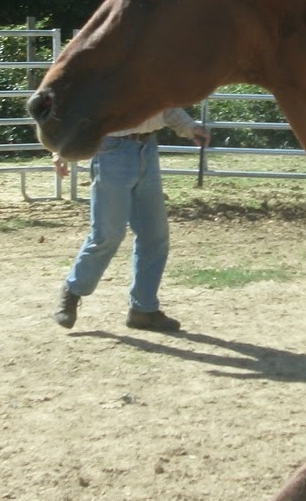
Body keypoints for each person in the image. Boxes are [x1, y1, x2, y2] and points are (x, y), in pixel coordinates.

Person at [53, 107, 208, 332]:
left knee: (154, 235)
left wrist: (188, 127)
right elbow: (85, 103)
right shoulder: (107, 71)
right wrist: (63, 147)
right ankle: (72, 291)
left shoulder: (153, 71)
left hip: (148, 148)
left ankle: (143, 309)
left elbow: (165, 103)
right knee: (108, 234)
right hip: (111, 150)